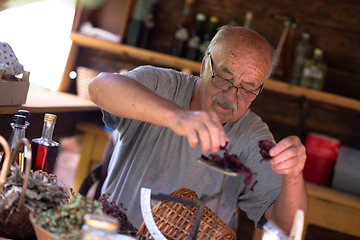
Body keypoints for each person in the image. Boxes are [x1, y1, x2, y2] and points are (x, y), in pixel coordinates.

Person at [88, 25, 308, 233]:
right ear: (205, 65)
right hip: (114, 233)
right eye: (224, 78)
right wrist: (177, 116)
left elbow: (285, 227)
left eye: (248, 90)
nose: (231, 97)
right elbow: (99, 87)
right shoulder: (160, 85)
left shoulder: (253, 138)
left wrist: (294, 175)